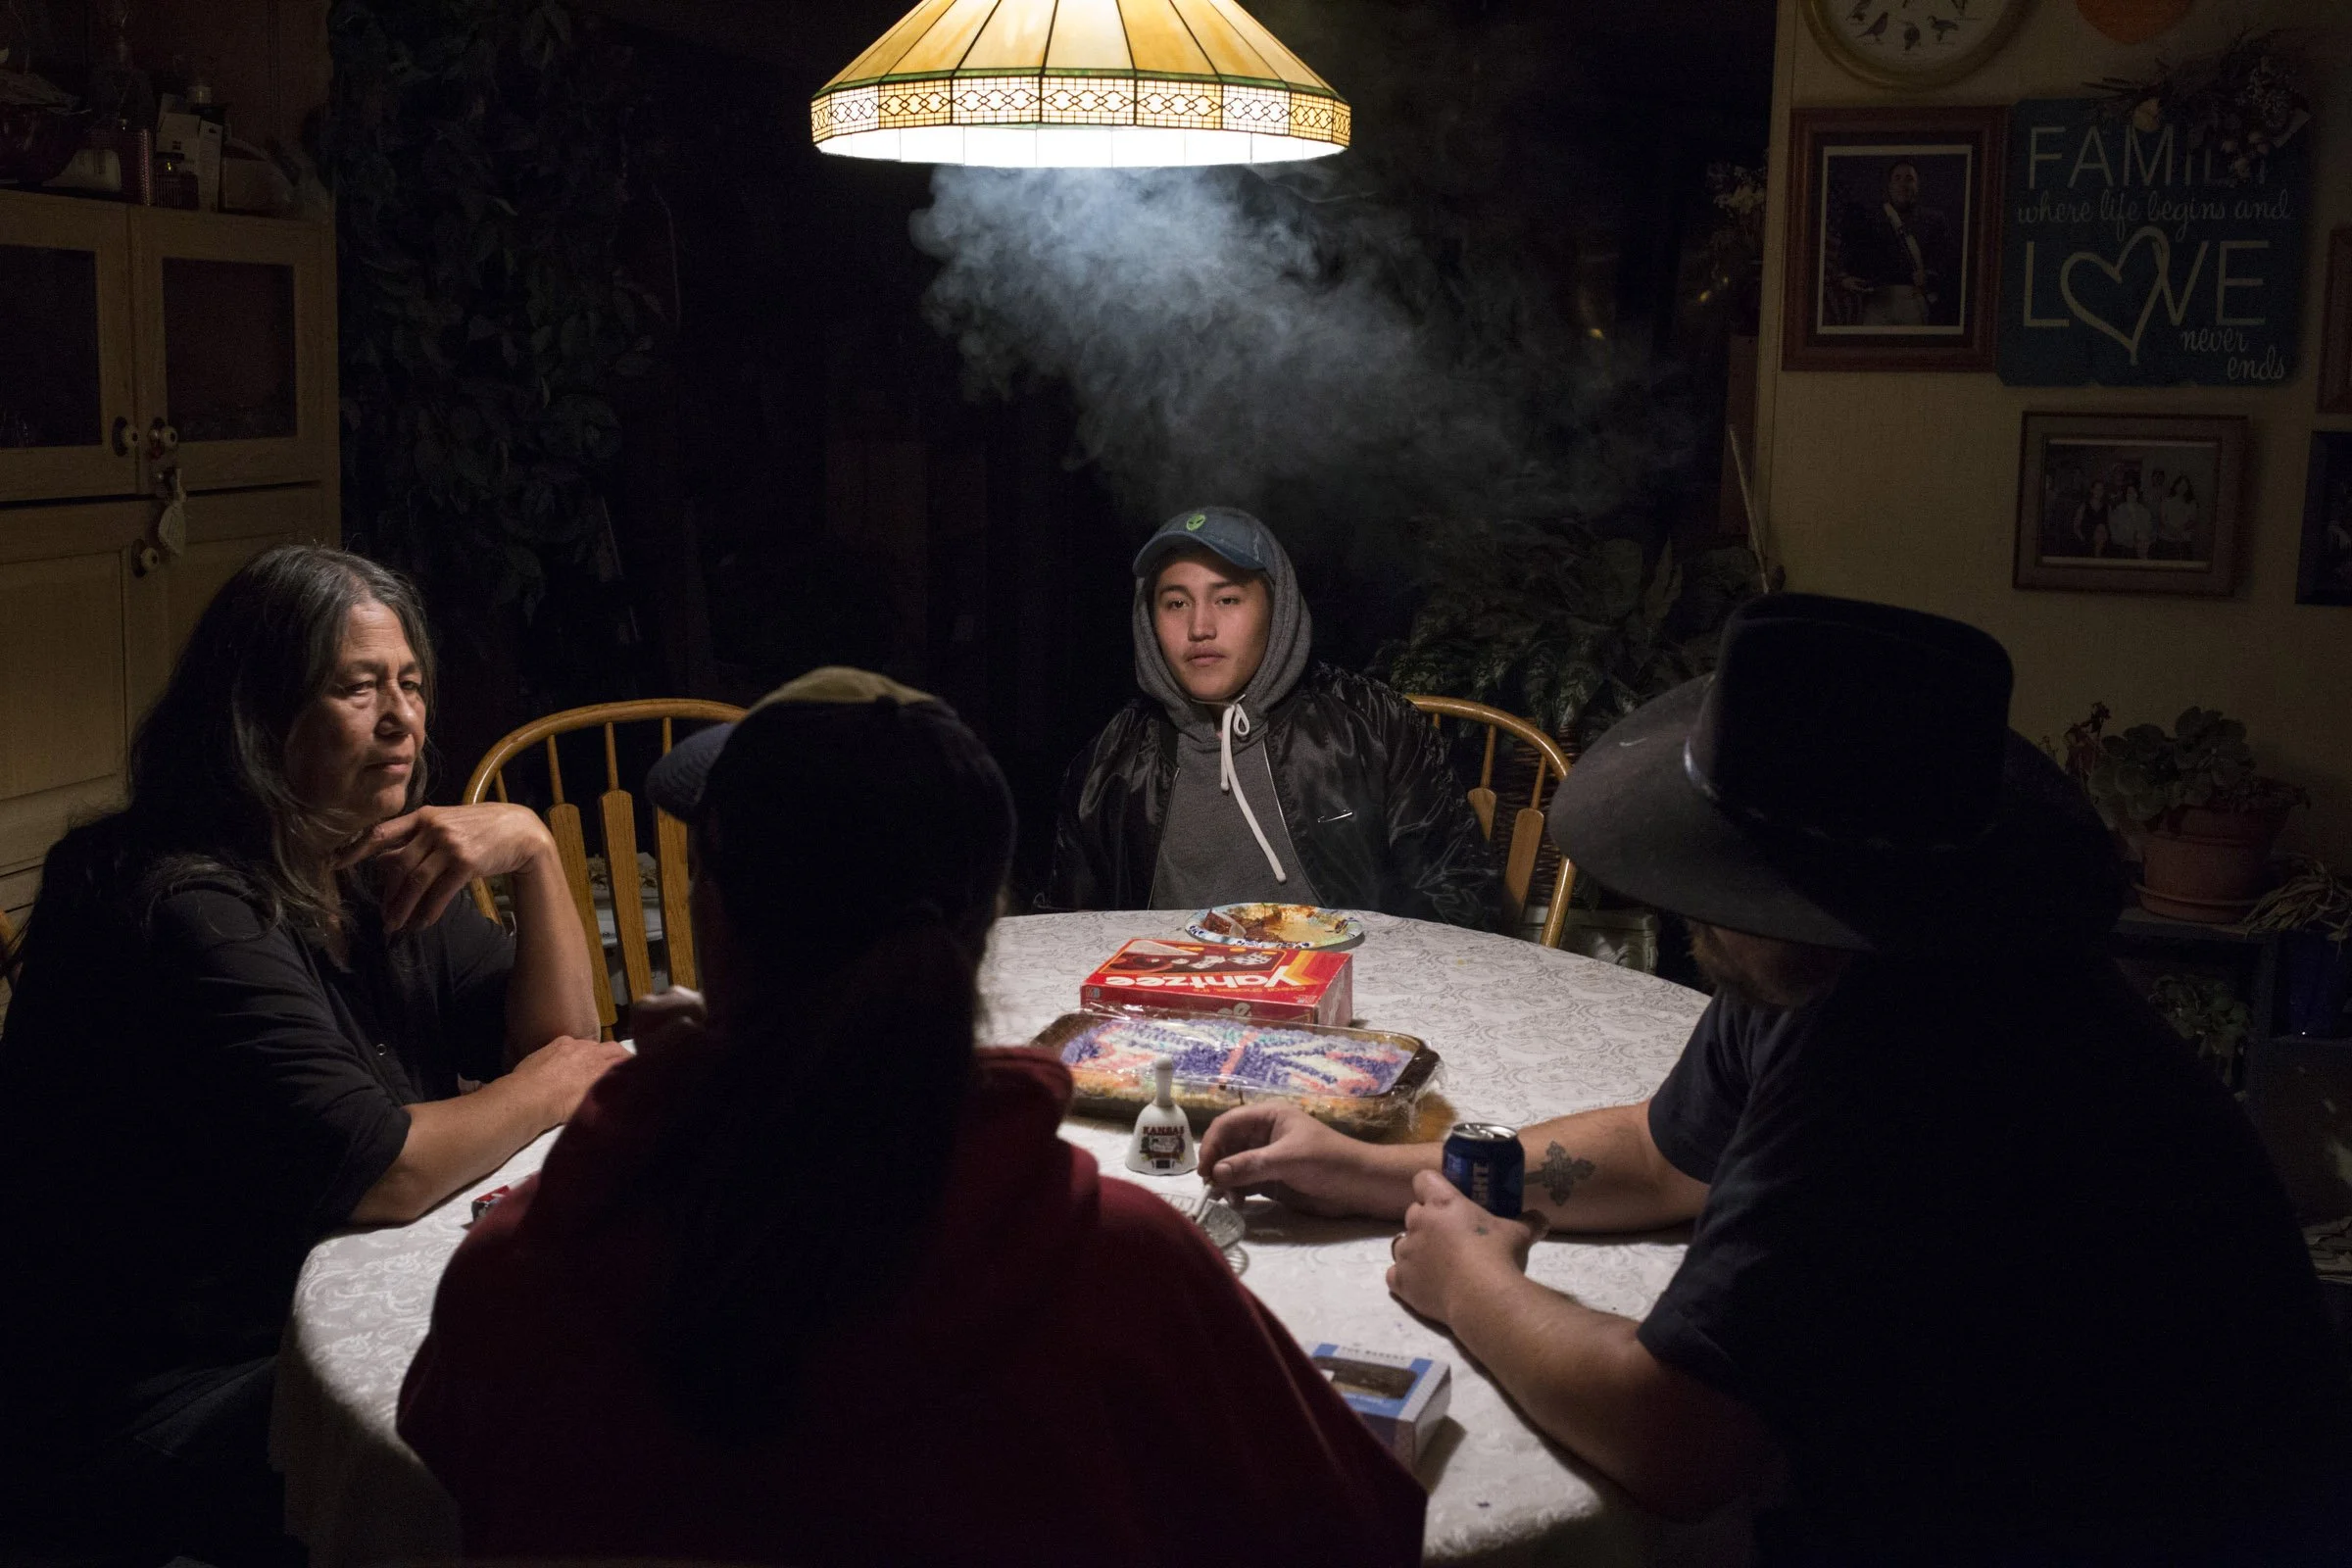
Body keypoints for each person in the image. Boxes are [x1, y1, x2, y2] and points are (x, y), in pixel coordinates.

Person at [1200, 594, 2352, 1564]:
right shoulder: (1834, 963)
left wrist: (1473, 1284)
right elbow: (1661, 1154)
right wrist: (1378, 1168)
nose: (1690, 900)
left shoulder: (1914, 1046)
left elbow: (1680, 1441)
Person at [397, 667, 1425, 1568]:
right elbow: (1356, 1530)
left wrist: (698, 1094)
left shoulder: (531, 1266)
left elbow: (440, 1440)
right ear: (980, 938)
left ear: (711, 917)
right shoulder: (1130, 1271)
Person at [0, 546, 619, 1566]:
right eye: (357, 687)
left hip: (291, 1319)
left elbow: (559, 1032)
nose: (401, 719)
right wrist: (552, 1081)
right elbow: (386, 1169)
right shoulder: (180, 902)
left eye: (412, 684)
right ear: (257, 717)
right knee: (523, 1428)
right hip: (155, 1401)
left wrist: (533, 850)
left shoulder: (359, 858)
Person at [1043, 506, 1496, 925]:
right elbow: (1066, 927)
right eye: (1176, 603)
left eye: (1228, 599)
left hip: (1344, 996)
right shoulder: (1111, 764)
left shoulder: (1370, 728)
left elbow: (1460, 894)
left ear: (1277, 612)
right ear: (1149, 620)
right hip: (1173, 1001)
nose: (1200, 627)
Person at [1834, 160, 1958, 328]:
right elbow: (1849, 254)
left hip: (1915, 299)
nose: (1903, 184)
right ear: (1889, 185)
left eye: (1909, 179)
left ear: (1918, 185)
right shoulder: (1869, 219)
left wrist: (1929, 276)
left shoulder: (1934, 220)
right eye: (1897, 178)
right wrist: (1844, 279)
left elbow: (1946, 262)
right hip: (1876, 301)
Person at [2155, 472, 2200, 561]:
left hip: (2183, 539)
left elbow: (2193, 520)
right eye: (2180, 485)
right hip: (2167, 539)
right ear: (2176, 486)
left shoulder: (2191, 503)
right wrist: (2171, 529)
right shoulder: (2166, 501)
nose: (2182, 488)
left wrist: (2180, 529)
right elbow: (2162, 519)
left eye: (2184, 486)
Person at [2107, 476, 2154, 559]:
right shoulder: (2119, 510)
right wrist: (2125, 541)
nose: (2132, 495)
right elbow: (2113, 531)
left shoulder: (2144, 510)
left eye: (2134, 492)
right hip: (2123, 549)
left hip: (2141, 550)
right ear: (2125, 494)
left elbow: (2149, 529)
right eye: (2129, 492)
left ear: (2137, 494)